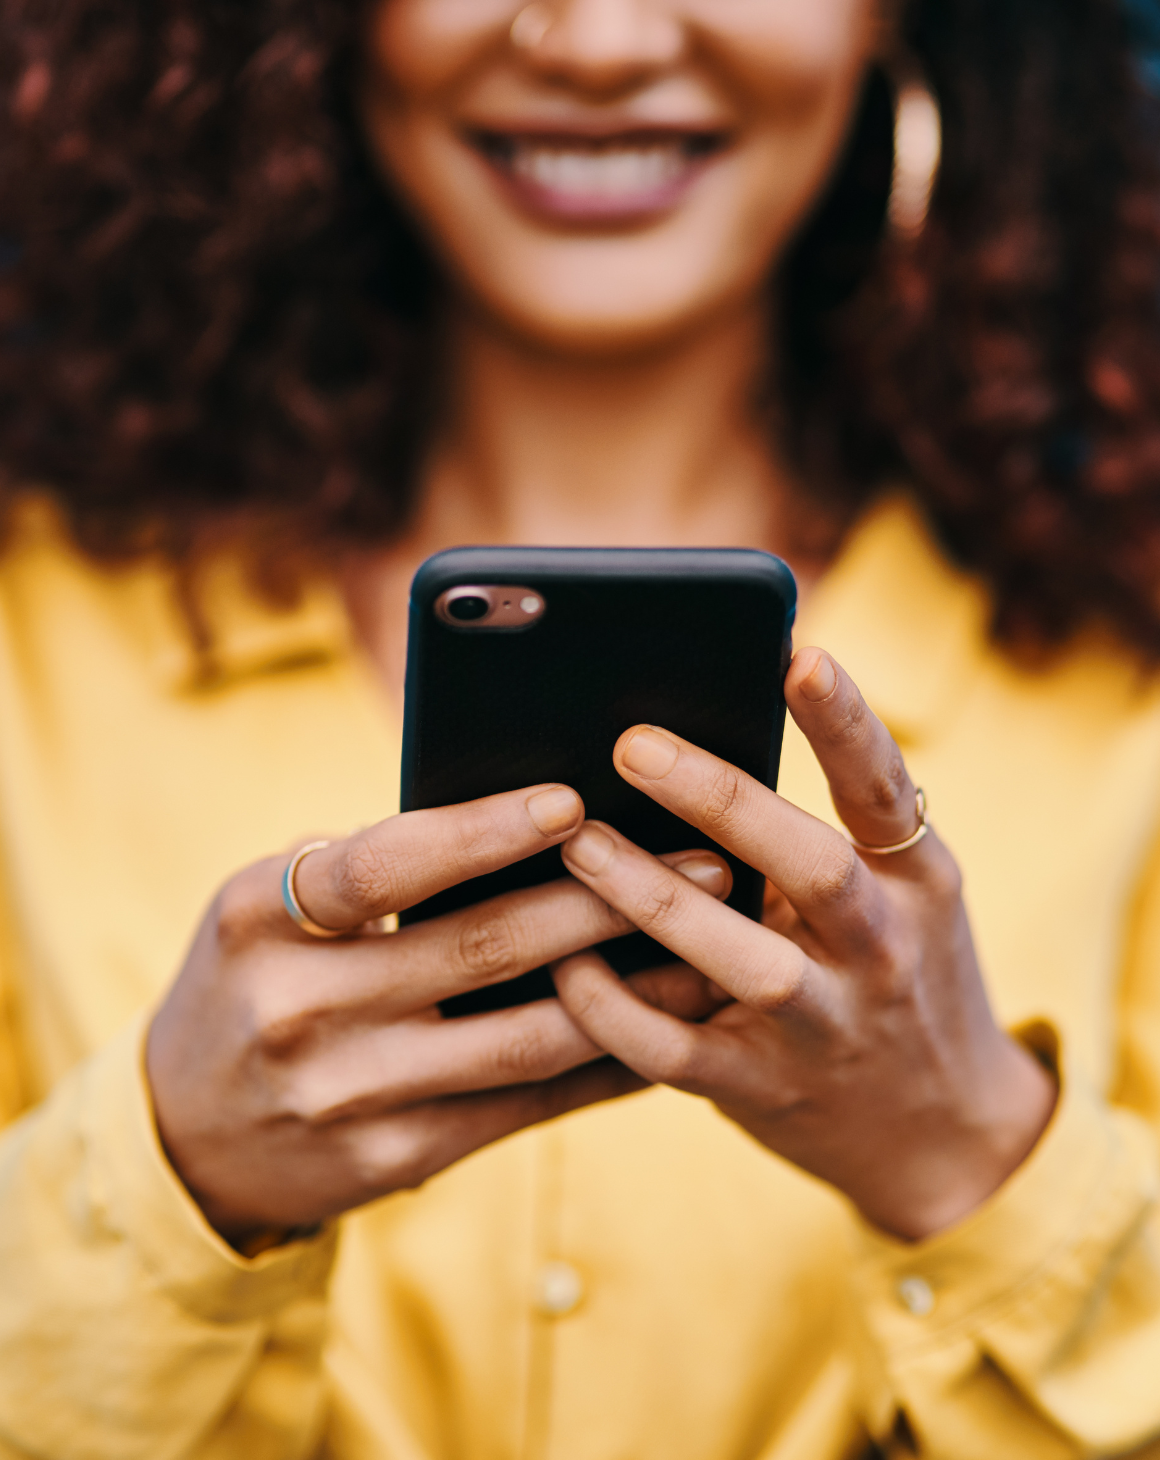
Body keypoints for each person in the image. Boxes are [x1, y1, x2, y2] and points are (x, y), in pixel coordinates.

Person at [2, 0, 1160, 1455]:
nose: (602, 43)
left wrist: (978, 1158)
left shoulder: (1130, 670)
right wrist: (164, 1185)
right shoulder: (30, 632)